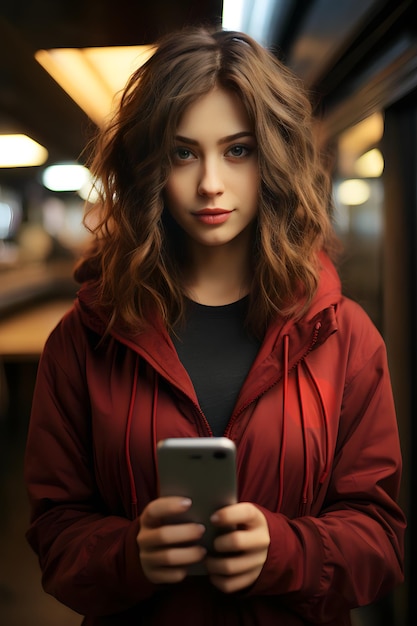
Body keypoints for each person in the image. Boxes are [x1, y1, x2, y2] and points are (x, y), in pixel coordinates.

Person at [24, 26, 405, 626]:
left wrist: (287, 552)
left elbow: (381, 539)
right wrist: (130, 555)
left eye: (237, 150)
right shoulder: (82, 339)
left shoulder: (345, 336)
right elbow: (54, 532)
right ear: (150, 165)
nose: (209, 183)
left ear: (272, 156)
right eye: (183, 152)